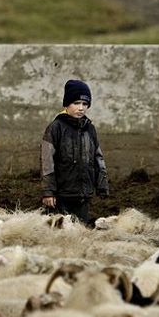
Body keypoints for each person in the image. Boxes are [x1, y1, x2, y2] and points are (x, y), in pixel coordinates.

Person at [39, 79, 109, 225]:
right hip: (61, 195)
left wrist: (102, 184)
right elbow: (47, 162)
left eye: (85, 104)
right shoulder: (55, 128)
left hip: (83, 194)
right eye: (76, 103)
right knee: (60, 231)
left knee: (82, 230)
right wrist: (48, 191)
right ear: (66, 104)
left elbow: (98, 158)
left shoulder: (90, 129)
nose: (81, 108)